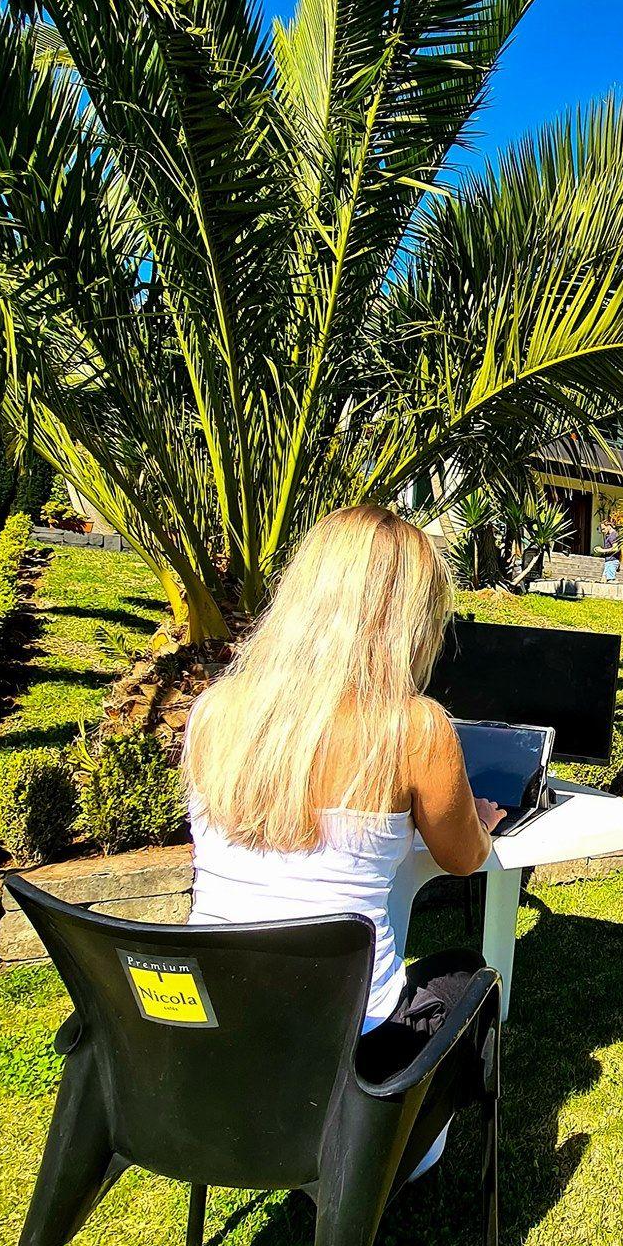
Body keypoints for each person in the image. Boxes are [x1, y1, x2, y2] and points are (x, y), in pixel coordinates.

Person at [182, 504, 505, 1175]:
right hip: (353, 1085)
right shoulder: (412, 728)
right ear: (409, 618)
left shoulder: (214, 712)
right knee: (465, 975)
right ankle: (396, 1161)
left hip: (212, 1055)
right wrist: (474, 817)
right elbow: (463, 858)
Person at [600, 515, 621, 584]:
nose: (602, 531)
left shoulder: (613, 535)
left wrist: (603, 550)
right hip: (609, 561)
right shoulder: (609, 535)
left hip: (612, 561)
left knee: (611, 581)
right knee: (603, 580)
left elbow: (615, 548)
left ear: (609, 526)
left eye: (603, 529)